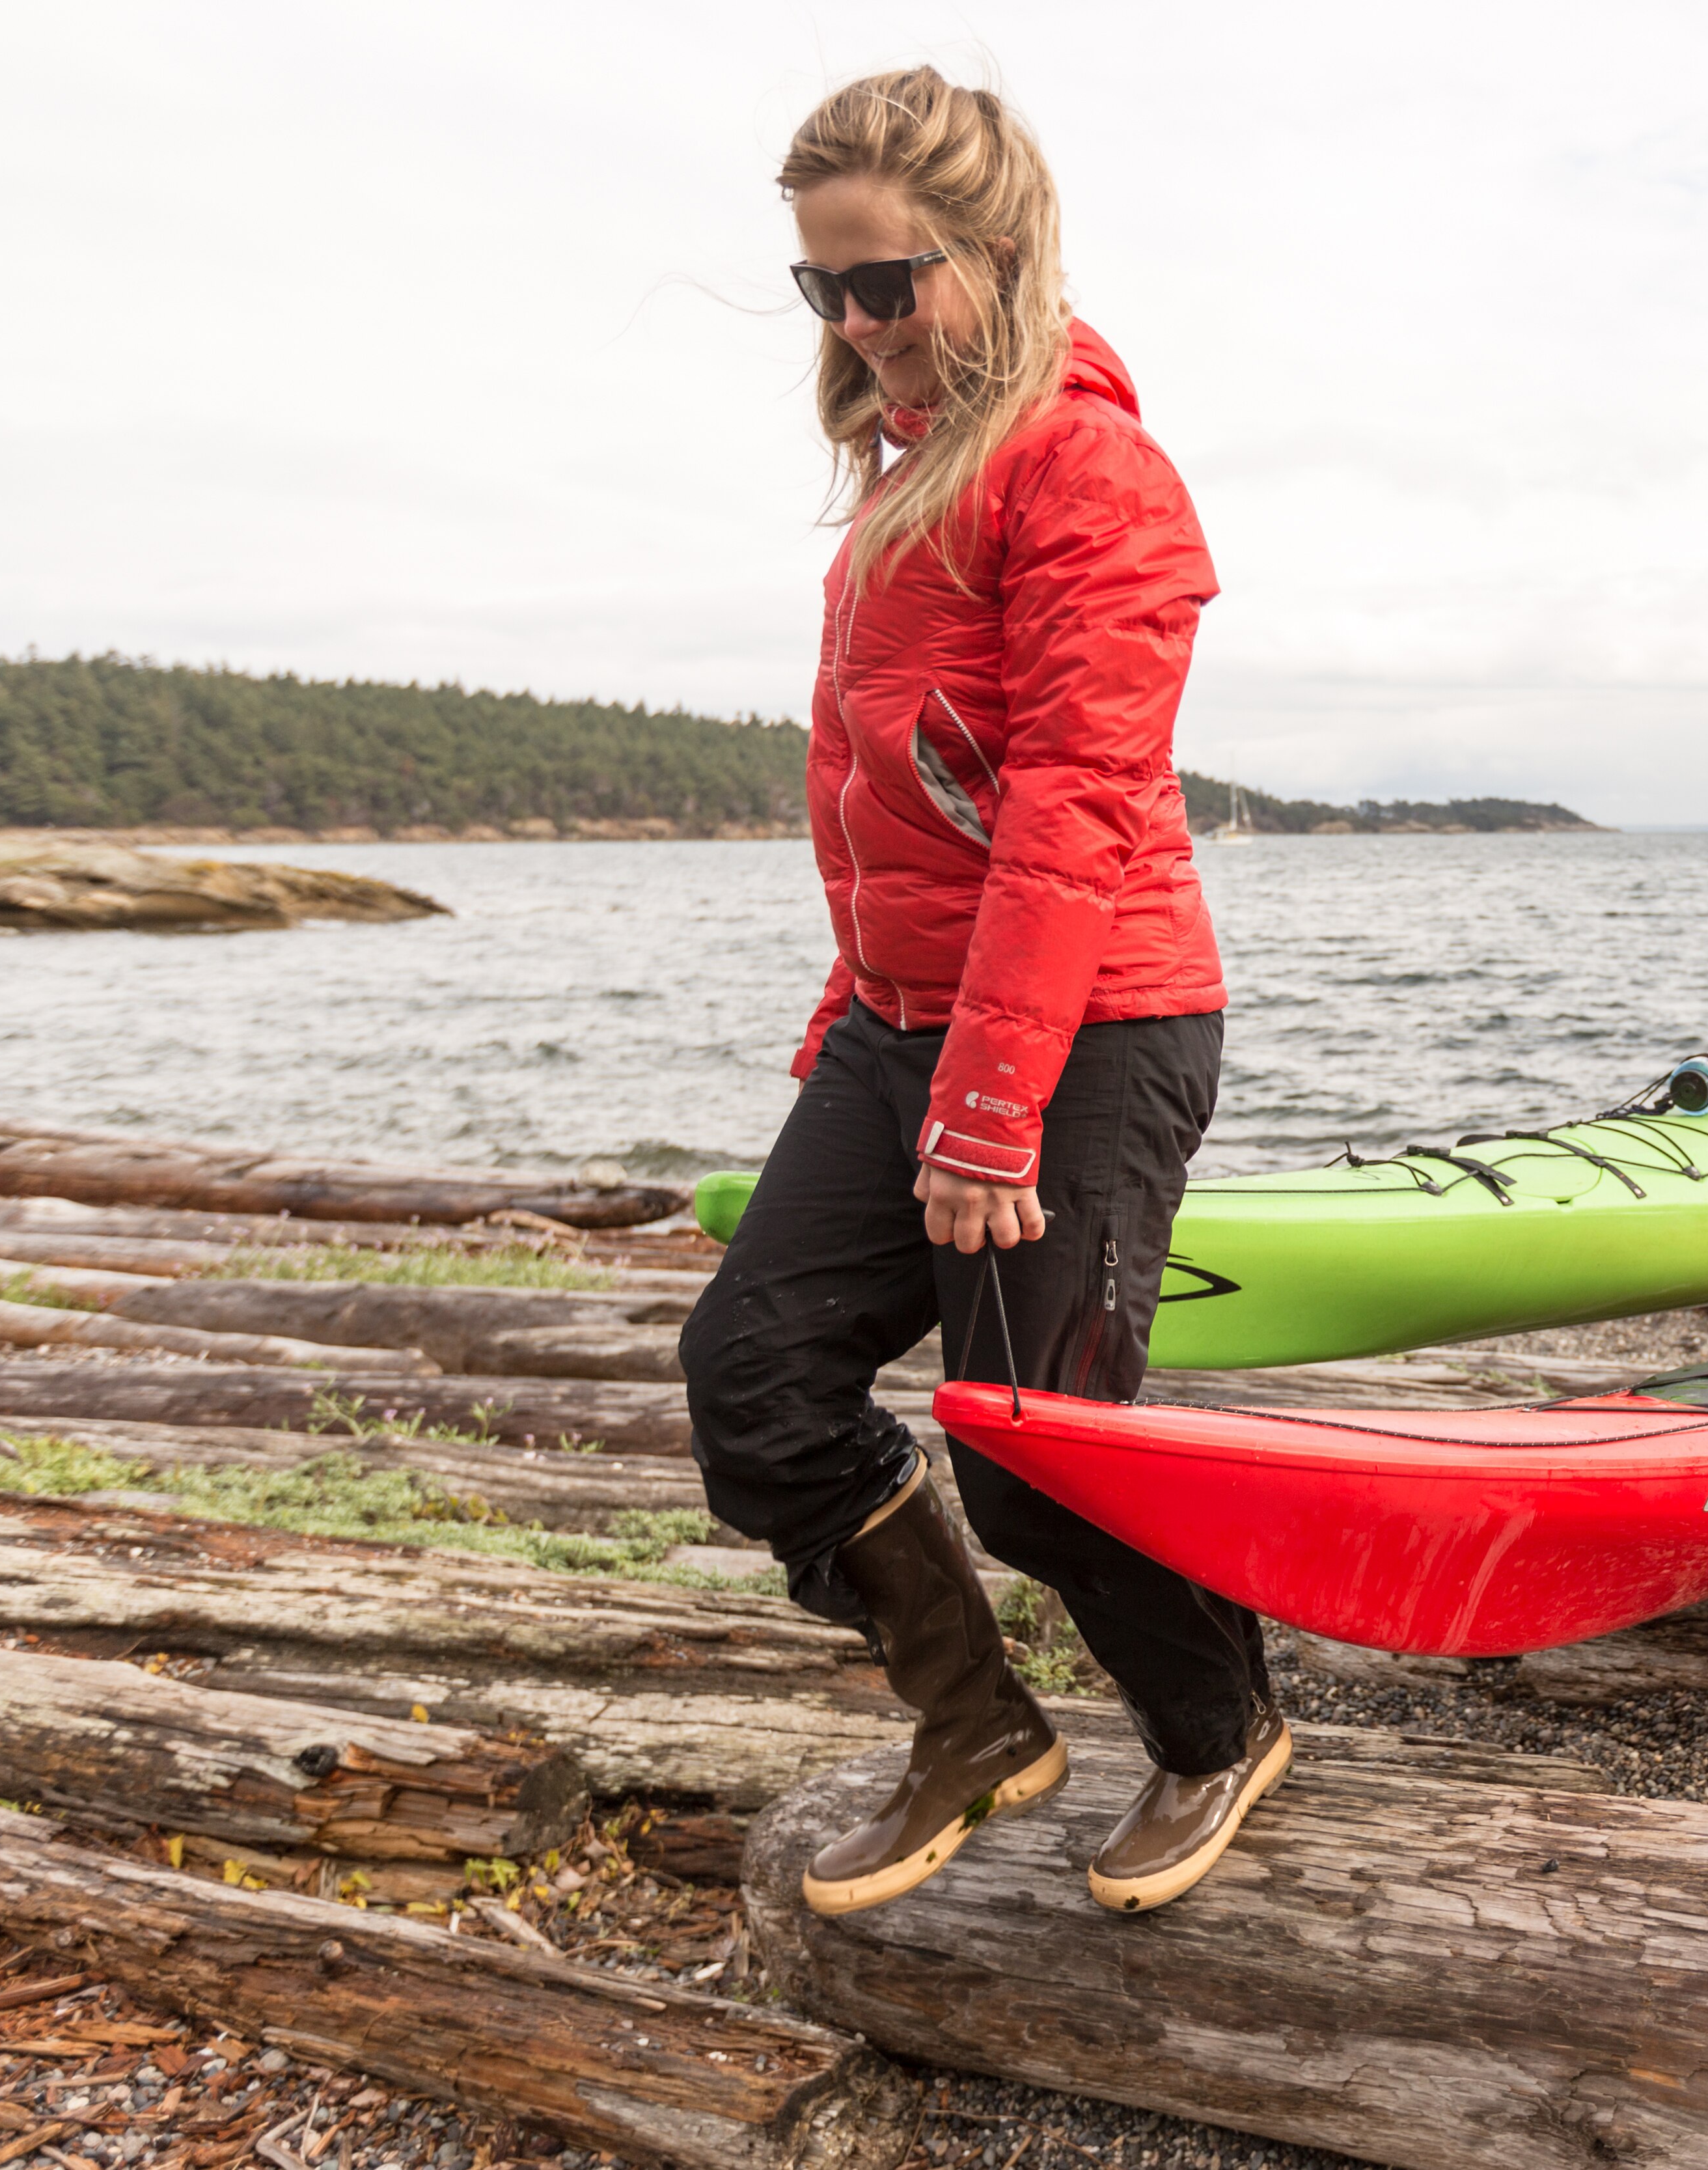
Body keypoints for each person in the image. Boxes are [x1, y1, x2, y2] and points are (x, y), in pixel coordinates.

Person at [680, 67, 1285, 1921]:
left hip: (1089, 1022)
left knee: (1031, 1457)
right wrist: (853, 1022)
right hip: (909, 1018)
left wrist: (991, 1101)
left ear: (1000, 253)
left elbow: (1071, 807)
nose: (857, 327)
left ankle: (1219, 1721)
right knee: (755, 1378)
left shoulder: (1088, 472)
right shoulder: (894, 479)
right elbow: (889, 809)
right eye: (823, 290)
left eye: (889, 282)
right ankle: (974, 1723)